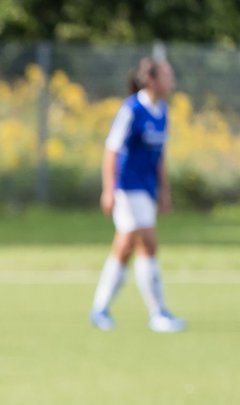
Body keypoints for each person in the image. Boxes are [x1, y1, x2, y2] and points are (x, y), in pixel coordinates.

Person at [89, 56, 185, 333]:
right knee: (148, 244)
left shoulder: (163, 111)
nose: (172, 81)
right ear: (152, 80)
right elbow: (112, 150)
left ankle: (100, 309)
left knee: (125, 247)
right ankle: (158, 313)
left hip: (146, 189)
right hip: (127, 188)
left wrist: (165, 190)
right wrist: (108, 189)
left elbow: (160, 156)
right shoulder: (131, 109)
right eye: (167, 75)